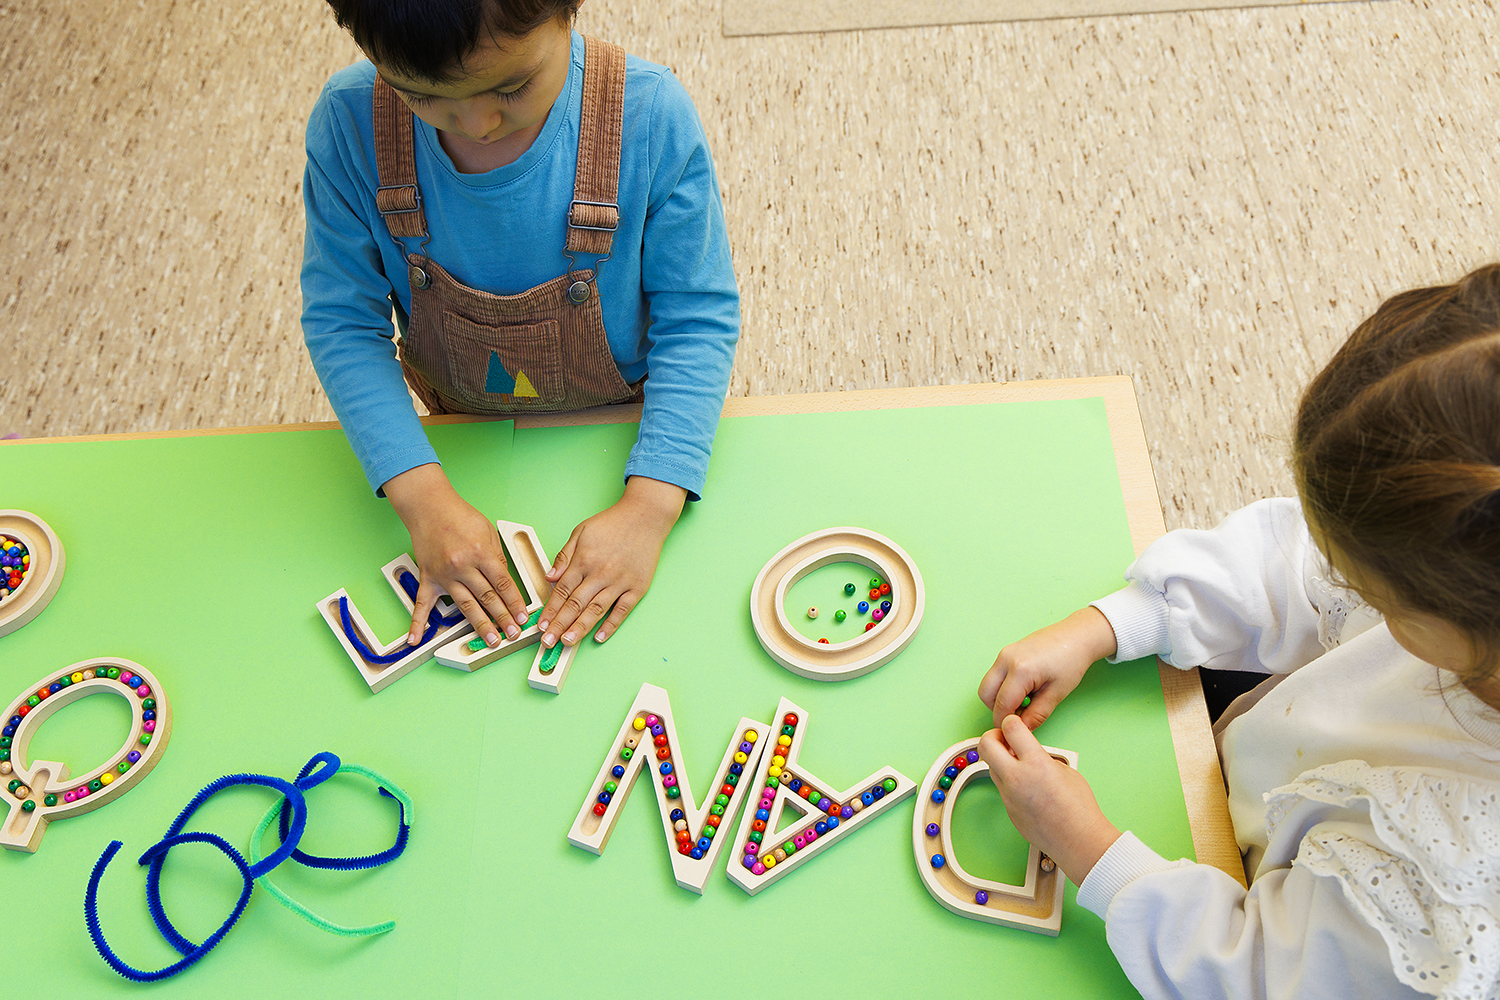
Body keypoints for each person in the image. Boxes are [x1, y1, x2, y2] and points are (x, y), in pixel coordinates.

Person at [977, 264, 1500, 999]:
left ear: (1450, 616)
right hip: (1277, 768)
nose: (1340, 580)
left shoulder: (1451, 898)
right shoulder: (1460, 568)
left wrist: (1087, 849)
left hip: (1268, 908)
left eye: (1364, 585)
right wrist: (1110, 623)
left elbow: (1255, 974)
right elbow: (1289, 567)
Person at [301, 0, 739, 654]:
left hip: (628, 417)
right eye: (424, 95)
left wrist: (651, 506)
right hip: (463, 431)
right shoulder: (349, 125)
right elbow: (342, 321)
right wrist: (422, 498)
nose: (477, 123)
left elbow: (697, 318)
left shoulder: (648, 117)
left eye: (511, 86)